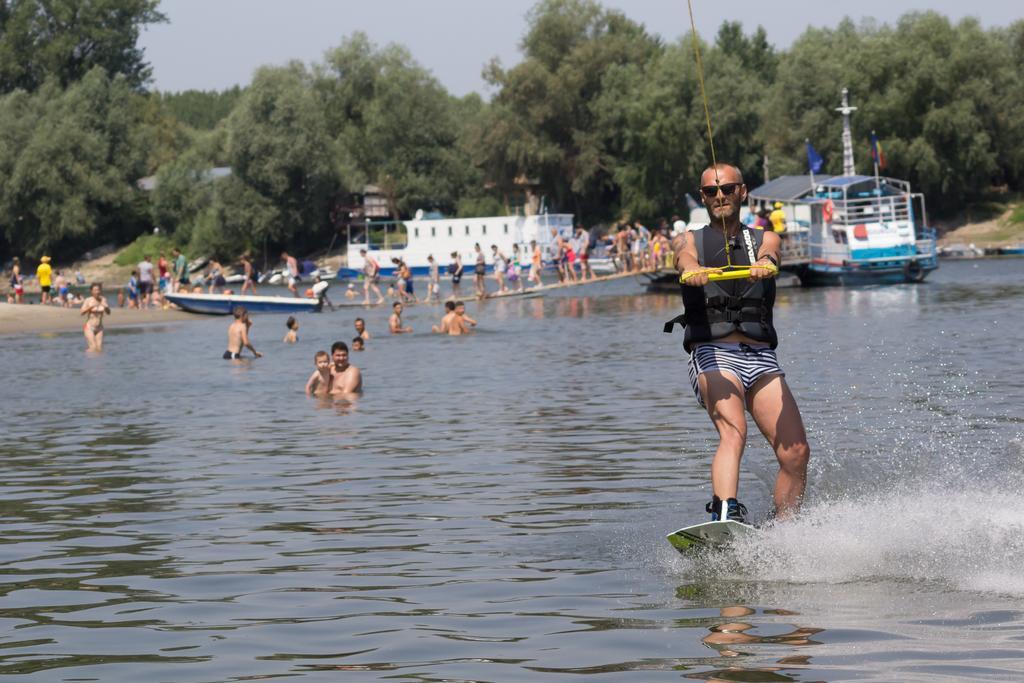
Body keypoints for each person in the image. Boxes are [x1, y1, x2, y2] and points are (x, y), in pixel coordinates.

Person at [670, 162, 809, 523]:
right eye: (711, 192)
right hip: (713, 354)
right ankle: (725, 513)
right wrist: (691, 269)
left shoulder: (766, 238)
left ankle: (786, 528)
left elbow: (772, 253)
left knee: (796, 453)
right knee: (735, 432)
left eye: (727, 189)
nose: (720, 196)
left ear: (742, 192)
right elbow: (683, 257)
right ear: (702, 197)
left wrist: (765, 263)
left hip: (760, 357)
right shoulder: (690, 240)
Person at [80, 282, 110, 352]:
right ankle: (88, 361)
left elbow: (108, 313)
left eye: (98, 290)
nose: (97, 292)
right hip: (89, 327)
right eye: (95, 290)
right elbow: (82, 312)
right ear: (91, 291)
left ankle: (98, 362)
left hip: (99, 327)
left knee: (99, 348)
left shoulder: (103, 299)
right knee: (93, 347)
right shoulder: (88, 300)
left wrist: (106, 307)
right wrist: (90, 308)